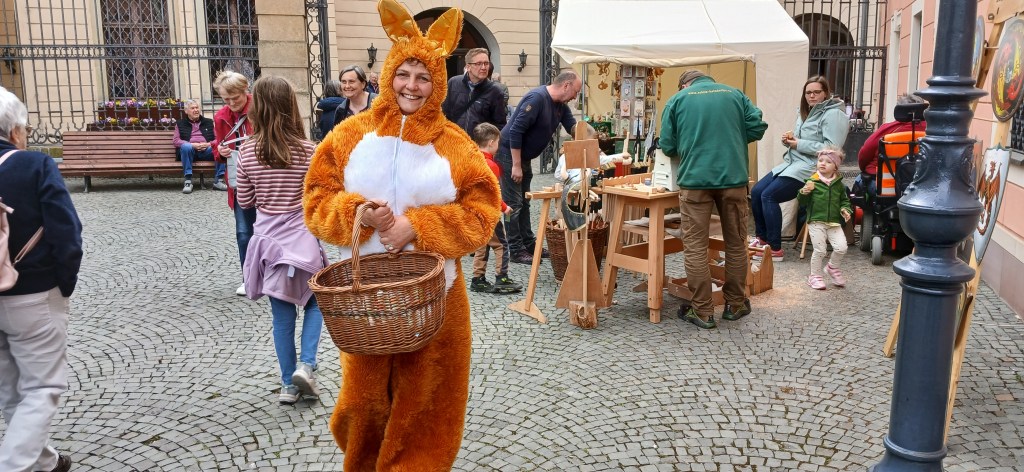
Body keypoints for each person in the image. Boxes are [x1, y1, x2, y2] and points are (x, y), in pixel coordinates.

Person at [303, 1, 500, 468]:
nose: (412, 86)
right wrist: (357, 215)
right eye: (404, 74)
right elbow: (316, 199)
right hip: (364, 300)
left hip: (438, 298)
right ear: (389, 74)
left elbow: (484, 211)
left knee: (428, 408)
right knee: (361, 405)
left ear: (437, 83)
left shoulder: (454, 144)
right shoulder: (349, 136)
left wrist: (421, 225)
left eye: (423, 77)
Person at [0, 86, 82, 472]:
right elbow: (66, 233)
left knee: (11, 388)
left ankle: (45, 463)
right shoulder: (33, 165)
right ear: (15, 130)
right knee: (41, 386)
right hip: (32, 291)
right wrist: (62, 284)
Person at [235, 76, 326, 405]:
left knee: (282, 316)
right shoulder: (309, 151)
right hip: (302, 239)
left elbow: (245, 201)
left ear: (257, 107)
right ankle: (307, 365)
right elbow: (317, 196)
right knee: (316, 302)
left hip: (270, 242)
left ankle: (288, 384)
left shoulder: (246, 152)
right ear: (291, 105)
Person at [660, 70, 767, 330]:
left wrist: (692, 142)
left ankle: (703, 311)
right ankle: (735, 305)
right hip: (733, 178)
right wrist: (731, 138)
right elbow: (757, 127)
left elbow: (667, 145)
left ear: (684, 85)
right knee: (736, 243)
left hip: (695, 181)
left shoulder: (678, 100)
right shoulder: (735, 95)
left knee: (695, 246)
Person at [749, 75, 849, 261]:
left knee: (769, 196)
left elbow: (832, 149)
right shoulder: (806, 111)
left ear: (826, 93)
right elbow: (801, 140)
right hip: (792, 163)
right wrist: (789, 141)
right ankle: (762, 239)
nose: (811, 96)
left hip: (812, 168)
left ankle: (774, 249)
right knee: (756, 192)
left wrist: (799, 144)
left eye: (816, 92)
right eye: (808, 93)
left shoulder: (834, 114)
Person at [498, 70, 581, 264]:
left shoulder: (560, 106)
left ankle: (528, 244)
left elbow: (573, 127)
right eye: (576, 92)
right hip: (509, 154)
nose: (575, 97)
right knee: (513, 204)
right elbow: (516, 131)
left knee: (525, 201)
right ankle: (515, 249)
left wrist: (589, 137)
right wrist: (516, 165)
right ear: (566, 85)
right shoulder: (537, 99)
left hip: (523, 156)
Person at [212, 70, 256, 297]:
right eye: (226, 99)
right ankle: (249, 278)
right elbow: (218, 147)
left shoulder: (260, 108)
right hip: (239, 181)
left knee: (272, 229)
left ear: (245, 90)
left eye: (235, 98)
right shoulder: (221, 117)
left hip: (266, 178)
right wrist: (220, 151)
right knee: (243, 232)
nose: (231, 103)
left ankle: (274, 275)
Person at [470, 123, 521, 294]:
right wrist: (504, 208)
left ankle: (477, 279)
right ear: (491, 142)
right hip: (489, 214)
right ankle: (502, 278)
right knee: (501, 245)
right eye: (498, 142)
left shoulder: (471, 161)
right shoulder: (491, 166)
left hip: (475, 214)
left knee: (482, 245)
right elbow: (493, 193)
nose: (498, 146)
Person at [797, 146, 852, 290]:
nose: (822, 163)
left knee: (841, 247)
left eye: (828, 162)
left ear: (835, 167)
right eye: (820, 160)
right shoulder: (812, 181)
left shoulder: (839, 185)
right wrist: (804, 192)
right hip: (816, 221)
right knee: (820, 250)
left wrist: (845, 210)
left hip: (834, 222)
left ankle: (832, 267)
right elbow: (802, 202)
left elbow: (844, 201)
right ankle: (814, 276)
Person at [857, 94, 928, 179]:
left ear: (899, 110)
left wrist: (866, 168)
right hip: (920, 180)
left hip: (883, 181)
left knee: (859, 180)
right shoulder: (931, 130)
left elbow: (865, 154)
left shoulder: (887, 129)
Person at [442, 48, 507, 134]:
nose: (483, 67)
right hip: (455, 139)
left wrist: (486, 139)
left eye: (486, 63)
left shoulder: (495, 91)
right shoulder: (453, 83)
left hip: (478, 141)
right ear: (468, 67)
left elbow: (500, 125)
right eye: (478, 64)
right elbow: (444, 114)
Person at [174, 99, 225, 194]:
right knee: (186, 147)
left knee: (220, 148)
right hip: (189, 152)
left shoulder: (208, 122)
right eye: (192, 108)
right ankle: (188, 181)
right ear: (186, 111)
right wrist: (191, 145)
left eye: (197, 108)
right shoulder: (180, 124)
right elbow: (176, 141)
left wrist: (209, 144)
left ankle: (218, 181)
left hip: (206, 151)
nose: (196, 110)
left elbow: (218, 139)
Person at [553, 123, 629, 182]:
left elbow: (557, 175)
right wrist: (620, 156)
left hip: (571, 188)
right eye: (591, 142)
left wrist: (567, 178)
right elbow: (602, 159)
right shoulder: (586, 155)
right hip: (579, 187)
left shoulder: (564, 156)